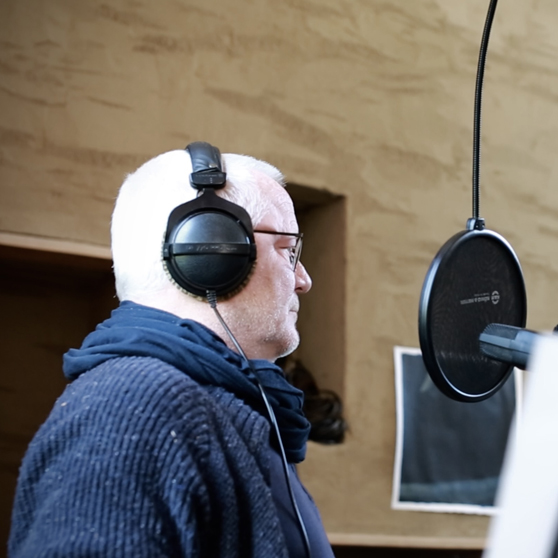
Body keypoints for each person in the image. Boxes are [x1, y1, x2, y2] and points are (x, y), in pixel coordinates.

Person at [9, 144, 335, 558]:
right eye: (288, 251)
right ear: (212, 247)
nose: (303, 280)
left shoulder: (214, 408)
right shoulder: (133, 406)